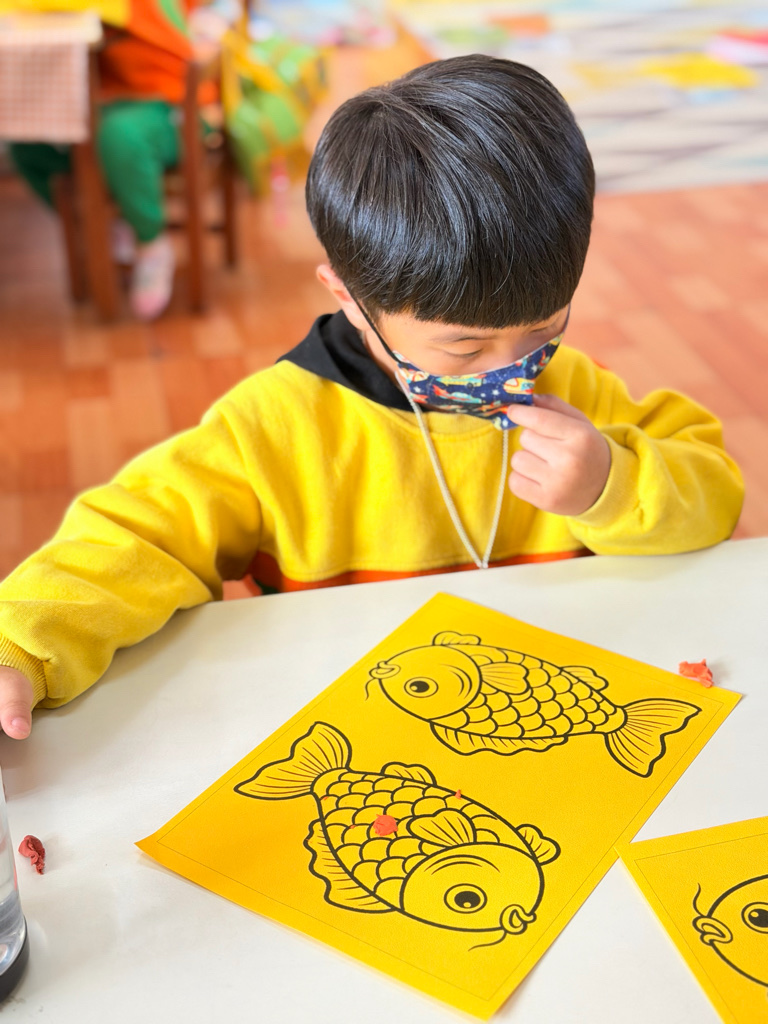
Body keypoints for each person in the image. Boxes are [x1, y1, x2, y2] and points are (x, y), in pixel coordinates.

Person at [0, 55, 744, 739]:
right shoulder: (274, 430)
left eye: (545, 328)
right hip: (352, 730)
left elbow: (713, 491)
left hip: (547, 718)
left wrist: (612, 484)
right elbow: (134, 539)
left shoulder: (576, 390)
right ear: (348, 298)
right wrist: (19, 649)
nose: (517, 371)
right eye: (465, 348)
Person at [9, 0, 194, 319]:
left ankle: (151, 242)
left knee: (119, 137)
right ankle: (107, 226)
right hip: (102, 96)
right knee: (27, 144)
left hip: (167, 97)